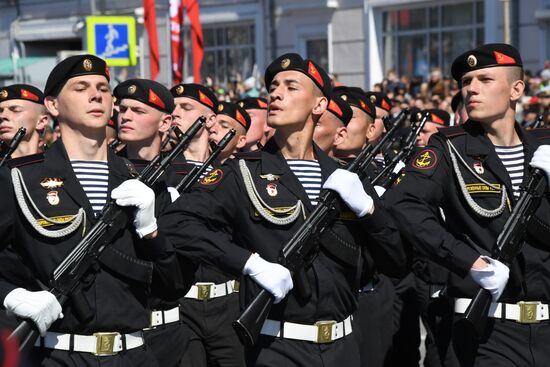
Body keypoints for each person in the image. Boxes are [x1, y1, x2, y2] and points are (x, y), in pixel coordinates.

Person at [155, 53, 405, 366]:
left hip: (344, 347)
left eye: (291, 86)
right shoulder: (242, 173)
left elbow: (396, 261)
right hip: (277, 348)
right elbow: (177, 225)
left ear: (319, 105)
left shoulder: (346, 179)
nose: (275, 93)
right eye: (273, 86)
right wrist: (249, 263)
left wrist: (370, 210)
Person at [0, 54, 185, 366]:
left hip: (135, 354)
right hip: (57, 355)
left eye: (103, 87)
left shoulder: (142, 182)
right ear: (53, 106)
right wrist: (11, 296)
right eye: (80, 87)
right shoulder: (19, 179)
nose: (96, 94)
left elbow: (173, 286)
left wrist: (150, 229)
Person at [385, 43, 550, 366]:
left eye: (485, 80)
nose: (471, 88)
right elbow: (403, 205)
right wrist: (470, 262)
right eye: (466, 81)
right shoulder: (450, 148)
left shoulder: (543, 148)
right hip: (487, 330)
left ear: (516, 88)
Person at [0, 84, 49, 158]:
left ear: (41, 122)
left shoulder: (59, 166)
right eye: (0, 111)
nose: (2, 116)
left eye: (15, 110)